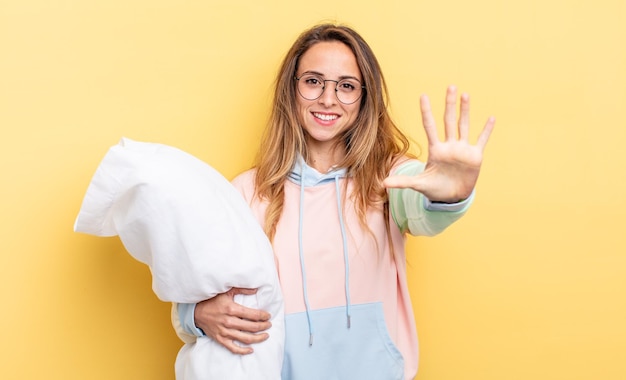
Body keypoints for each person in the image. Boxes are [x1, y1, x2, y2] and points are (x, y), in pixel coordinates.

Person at [172, 23, 494, 380]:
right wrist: (194, 315)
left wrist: (451, 194)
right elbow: (199, 291)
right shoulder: (247, 191)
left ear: (364, 97)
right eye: (313, 81)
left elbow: (427, 215)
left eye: (346, 86)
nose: (328, 99)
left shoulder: (389, 178)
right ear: (290, 89)